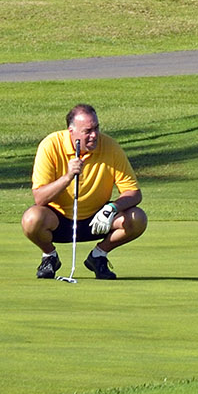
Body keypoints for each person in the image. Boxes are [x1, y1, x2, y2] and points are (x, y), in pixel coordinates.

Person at [24, 103, 145, 280]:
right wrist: (67, 177)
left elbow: (134, 192)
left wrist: (111, 208)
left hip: (98, 219)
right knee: (31, 219)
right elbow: (40, 198)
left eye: (96, 128)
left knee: (137, 218)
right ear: (71, 131)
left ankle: (98, 256)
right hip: (58, 219)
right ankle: (50, 257)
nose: (94, 135)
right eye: (87, 131)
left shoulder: (110, 146)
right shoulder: (50, 145)